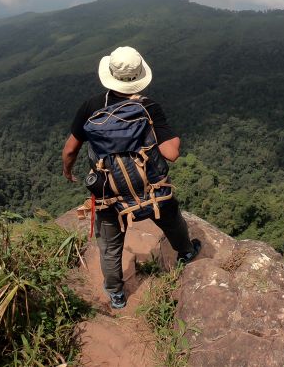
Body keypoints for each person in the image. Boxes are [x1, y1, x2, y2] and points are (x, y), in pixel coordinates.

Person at [62, 46, 201, 309]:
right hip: (149, 187)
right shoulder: (148, 107)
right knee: (171, 216)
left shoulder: (91, 106)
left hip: (109, 191)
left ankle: (116, 293)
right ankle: (185, 252)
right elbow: (171, 153)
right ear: (140, 75)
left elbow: (70, 149)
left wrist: (68, 170)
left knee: (111, 244)